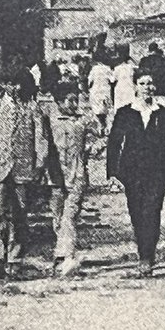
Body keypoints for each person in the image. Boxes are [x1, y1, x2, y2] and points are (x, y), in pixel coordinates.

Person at [0, 69, 58, 280]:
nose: (15, 89)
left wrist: (40, 164)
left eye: (19, 84)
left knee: (19, 215)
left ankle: (15, 259)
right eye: (10, 84)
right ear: (4, 85)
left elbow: (41, 139)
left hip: (23, 169)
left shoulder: (33, 109)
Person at [106, 70, 165, 276]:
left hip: (156, 174)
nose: (147, 87)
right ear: (135, 86)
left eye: (150, 83)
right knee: (137, 214)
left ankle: (147, 257)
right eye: (143, 83)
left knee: (152, 212)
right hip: (132, 173)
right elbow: (114, 144)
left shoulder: (163, 114)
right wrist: (113, 173)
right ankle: (143, 250)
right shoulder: (125, 113)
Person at [48, 81, 104, 277]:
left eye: (76, 100)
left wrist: (93, 148)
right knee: (57, 217)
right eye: (69, 100)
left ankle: (68, 257)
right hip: (54, 176)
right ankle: (61, 254)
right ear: (58, 102)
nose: (73, 104)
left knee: (69, 216)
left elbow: (102, 135)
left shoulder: (83, 121)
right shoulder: (51, 121)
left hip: (77, 174)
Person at [87, 55, 116, 130]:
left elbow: (90, 80)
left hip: (96, 91)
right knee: (104, 109)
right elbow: (112, 80)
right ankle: (104, 125)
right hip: (105, 90)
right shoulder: (107, 68)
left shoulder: (94, 69)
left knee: (97, 109)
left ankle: (100, 125)